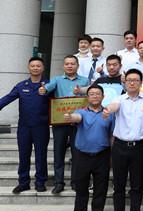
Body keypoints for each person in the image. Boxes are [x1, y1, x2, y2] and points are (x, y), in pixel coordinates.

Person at [102, 68, 143, 211]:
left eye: (135, 80)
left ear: (141, 83)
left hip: (140, 147)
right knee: (119, 186)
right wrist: (108, 110)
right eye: (129, 80)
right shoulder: (119, 99)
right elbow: (113, 107)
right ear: (125, 83)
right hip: (120, 146)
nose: (132, 83)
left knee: (137, 186)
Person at [65, 85, 114, 211]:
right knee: (81, 190)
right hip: (82, 156)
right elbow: (76, 118)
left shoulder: (109, 114)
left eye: (97, 94)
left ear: (103, 97)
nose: (94, 96)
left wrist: (112, 155)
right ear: (87, 97)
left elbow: (112, 135)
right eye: (91, 94)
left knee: (100, 190)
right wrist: (70, 117)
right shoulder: (81, 112)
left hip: (102, 156)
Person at [39, 55, 90, 194]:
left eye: (72, 64)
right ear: (63, 66)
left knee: (77, 153)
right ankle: (58, 182)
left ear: (77, 66)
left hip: (78, 122)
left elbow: (89, 95)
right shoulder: (57, 80)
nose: (69, 66)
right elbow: (47, 88)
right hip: (60, 122)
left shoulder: (84, 80)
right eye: (67, 64)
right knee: (59, 152)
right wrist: (43, 90)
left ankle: (76, 182)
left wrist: (82, 91)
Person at [0, 57, 50, 194]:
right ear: (28, 68)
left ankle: (40, 182)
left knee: (41, 155)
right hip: (24, 127)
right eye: (33, 66)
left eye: (38, 66)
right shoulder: (21, 85)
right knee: (23, 155)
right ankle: (23, 182)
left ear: (43, 68)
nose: (35, 68)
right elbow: (7, 98)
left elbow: (58, 101)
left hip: (41, 126)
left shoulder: (49, 85)